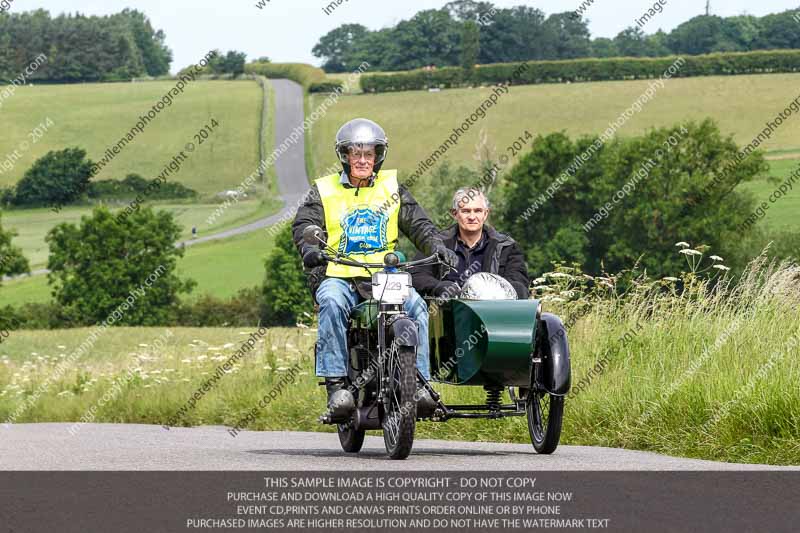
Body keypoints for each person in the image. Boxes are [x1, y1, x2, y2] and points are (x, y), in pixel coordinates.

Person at [291, 118, 458, 412]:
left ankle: (419, 386)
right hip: (340, 273)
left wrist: (437, 247)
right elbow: (305, 223)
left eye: (369, 154)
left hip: (386, 276)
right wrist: (310, 249)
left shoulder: (392, 187)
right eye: (356, 153)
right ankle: (337, 386)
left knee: (417, 307)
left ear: (379, 156)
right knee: (330, 302)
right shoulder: (324, 190)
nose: (362, 160)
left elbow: (420, 225)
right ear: (344, 156)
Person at [411, 187, 530, 300]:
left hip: (492, 314)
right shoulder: (435, 244)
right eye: (466, 211)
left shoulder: (506, 246)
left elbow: (519, 283)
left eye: (478, 211)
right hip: (447, 314)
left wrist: (492, 292)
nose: (472, 217)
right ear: (455, 213)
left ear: (485, 214)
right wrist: (439, 287)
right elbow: (417, 276)